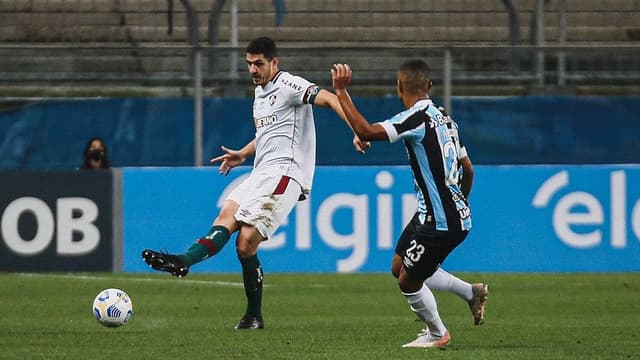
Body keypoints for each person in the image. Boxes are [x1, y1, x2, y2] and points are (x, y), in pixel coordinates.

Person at [141, 37, 367, 330]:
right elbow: (268, 134)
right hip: (260, 172)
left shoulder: (288, 84)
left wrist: (357, 131)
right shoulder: (260, 94)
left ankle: (253, 314)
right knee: (224, 218)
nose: (252, 69)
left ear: (275, 63)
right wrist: (244, 153)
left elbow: (331, 99)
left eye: (258, 63)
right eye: (249, 64)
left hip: (287, 174)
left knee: (246, 244)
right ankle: (183, 260)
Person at [331, 59, 485, 348]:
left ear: (399, 86)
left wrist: (341, 91)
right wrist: (459, 203)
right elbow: (469, 169)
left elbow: (366, 131)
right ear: (429, 86)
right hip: (437, 214)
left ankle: (438, 334)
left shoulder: (416, 117)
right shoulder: (446, 119)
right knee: (399, 265)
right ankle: (471, 292)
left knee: (408, 281)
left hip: (440, 220)